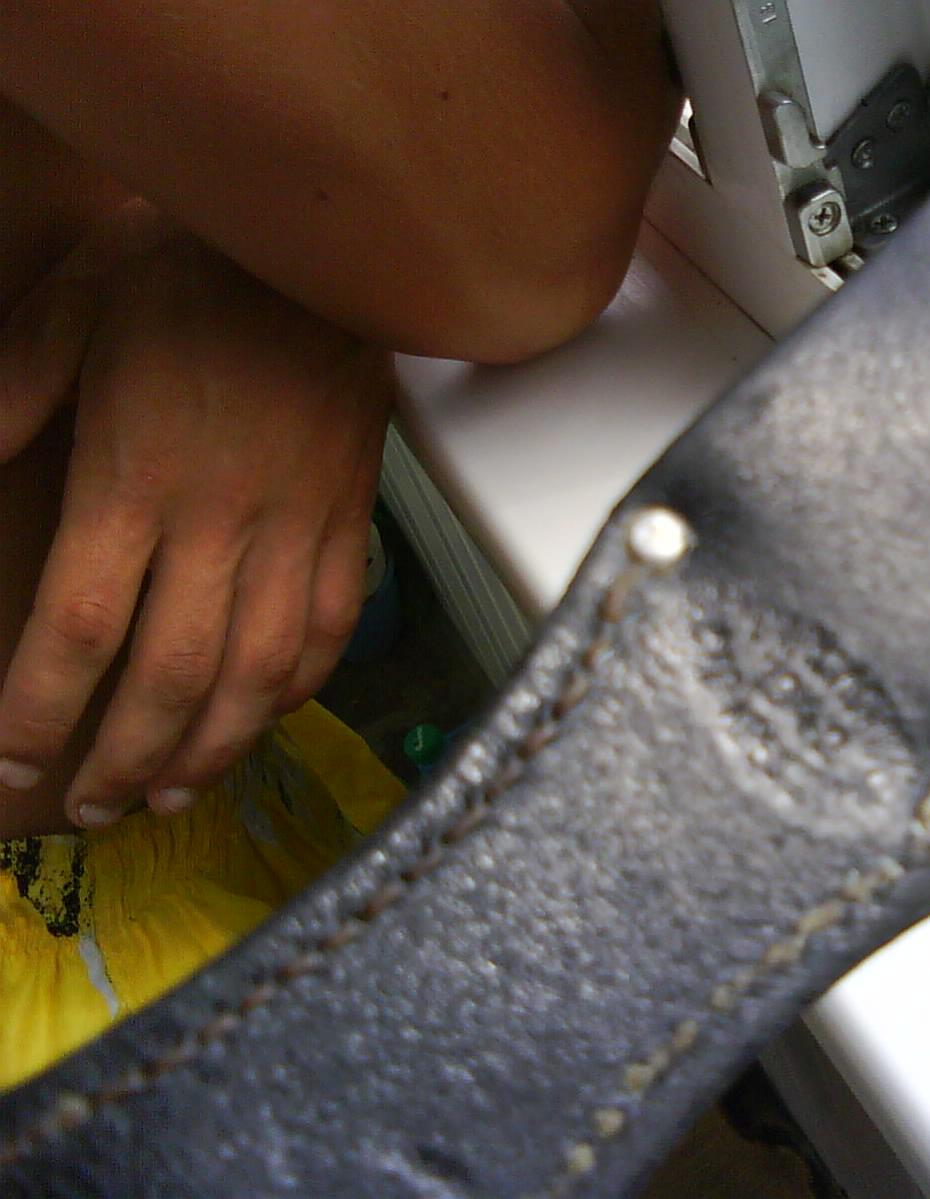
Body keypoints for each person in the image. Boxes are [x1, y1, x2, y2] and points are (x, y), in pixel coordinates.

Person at [0, 2, 680, 1087]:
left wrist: (242, 243)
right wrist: (285, 249)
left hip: (167, 855)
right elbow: (518, 226)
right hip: (89, 1032)